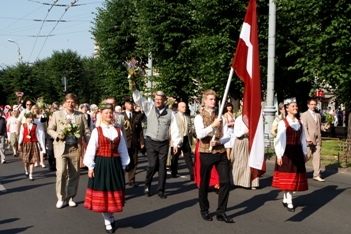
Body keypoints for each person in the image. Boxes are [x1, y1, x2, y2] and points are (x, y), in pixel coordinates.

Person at [83, 103, 129, 233]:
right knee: (103, 192)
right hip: (102, 164)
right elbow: (92, 149)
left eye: (110, 113)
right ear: (101, 115)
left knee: (112, 191)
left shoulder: (118, 130)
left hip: (115, 164)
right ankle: (107, 220)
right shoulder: (97, 131)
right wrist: (90, 166)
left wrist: (124, 164)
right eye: (106, 113)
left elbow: (122, 149)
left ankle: (110, 215)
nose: (109, 115)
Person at [132, 82, 182, 199]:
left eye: (160, 99)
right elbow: (140, 100)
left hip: (163, 143)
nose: (158, 101)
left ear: (164, 100)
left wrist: (176, 143)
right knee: (152, 165)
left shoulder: (170, 113)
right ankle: (147, 184)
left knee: (162, 167)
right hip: (151, 141)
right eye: (156, 99)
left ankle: (161, 189)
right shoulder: (149, 108)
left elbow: (174, 128)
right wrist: (134, 89)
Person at [194, 89, 233, 223]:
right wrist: (212, 126)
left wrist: (219, 141)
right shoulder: (199, 117)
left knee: (225, 181)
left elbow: (228, 136)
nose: (213, 101)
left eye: (214, 99)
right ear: (204, 101)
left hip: (220, 151)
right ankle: (204, 210)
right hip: (206, 152)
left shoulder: (221, 116)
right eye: (210, 99)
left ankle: (221, 211)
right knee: (204, 183)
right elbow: (199, 135)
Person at [47, 93, 91, 209]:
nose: (70, 104)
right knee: (61, 172)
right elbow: (50, 129)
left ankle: (70, 197)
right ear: (64, 103)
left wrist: (91, 144)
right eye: (68, 102)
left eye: (73, 102)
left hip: (75, 147)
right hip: (61, 147)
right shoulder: (57, 114)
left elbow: (86, 132)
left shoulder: (80, 116)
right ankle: (61, 198)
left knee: (74, 174)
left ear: (75, 104)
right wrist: (57, 135)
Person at [272, 97, 308, 212]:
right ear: (287, 109)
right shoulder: (283, 123)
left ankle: (286, 198)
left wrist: (305, 152)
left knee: (295, 176)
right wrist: (279, 155)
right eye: (293, 106)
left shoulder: (300, 122)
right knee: (289, 177)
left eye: (296, 106)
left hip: (297, 152)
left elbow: (303, 139)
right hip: (287, 152)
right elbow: (280, 139)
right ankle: (289, 201)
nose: (295, 108)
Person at [231, 114, 259, 189]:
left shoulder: (254, 118)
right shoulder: (239, 118)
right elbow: (236, 132)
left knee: (252, 162)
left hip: (252, 141)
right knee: (240, 161)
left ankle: (253, 182)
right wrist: (244, 132)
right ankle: (238, 181)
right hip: (242, 140)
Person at [300, 98, 325, 182]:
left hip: (318, 139)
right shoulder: (304, 115)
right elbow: (304, 127)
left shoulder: (318, 115)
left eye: (315, 104)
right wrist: (307, 137)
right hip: (309, 139)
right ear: (308, 105)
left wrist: (324, 127)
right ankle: (297, 172)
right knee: (306, 157)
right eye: (312, 104)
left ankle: (316, 175)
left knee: (317, 157)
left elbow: (319, 126)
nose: (313, 106)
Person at [123, 96, 145, 187]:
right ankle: (121, 179)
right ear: (125, 105)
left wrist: (142, 142)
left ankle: (131, 180)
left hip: (134, 142)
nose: (131, 105)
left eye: (132, 104)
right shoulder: (121, 116)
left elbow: (140, 130)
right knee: (124, 161)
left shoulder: (137, 115)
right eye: (129, 103)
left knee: (134, 161)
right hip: (124, 142)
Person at [171, 102, 194, 180]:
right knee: (175, 156)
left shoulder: (187, 117)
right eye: (183, 107)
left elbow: (190, 127)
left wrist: (191, 131)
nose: (185, 108)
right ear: (178, 108)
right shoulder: (174, 117)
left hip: (186, 138)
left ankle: (192, 173)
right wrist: (172, 141)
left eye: (185, 107)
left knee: (188, 156)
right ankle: (174, 171)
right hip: (177, 139)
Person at [18, 112, 43, 181]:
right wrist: (19, 143)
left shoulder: (35, 125)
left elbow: (37, 134)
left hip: (33, 143)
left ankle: (31, 174)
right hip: (26, 143)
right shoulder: (23, 125)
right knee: (26, 161)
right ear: (26, 118)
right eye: (29, 118)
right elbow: (21, 135)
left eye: (31, 118)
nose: (30, 119)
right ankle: (26, 169)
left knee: (32, 160)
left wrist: (40, 143)